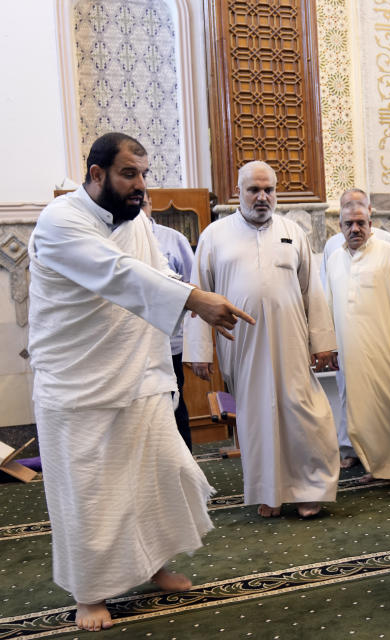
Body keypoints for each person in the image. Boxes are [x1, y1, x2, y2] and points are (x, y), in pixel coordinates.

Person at [28, 132, 254, 631]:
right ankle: (89, 593)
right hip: (76, 387)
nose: (140, 185)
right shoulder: (60, 222)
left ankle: (154, 565)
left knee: (156, 476)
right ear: (96, 174)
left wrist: (194, 302)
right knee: (88, 493)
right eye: (130, 174)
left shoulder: (136, 223)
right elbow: (117, 274)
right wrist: (196, 301)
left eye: (144, 174)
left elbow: (158, 275)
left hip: (136, 377)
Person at [183, 160, 340, 519]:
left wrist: (323, 342)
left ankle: (309, 489)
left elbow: (311, 292)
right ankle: (269, 492)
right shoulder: (214, 235)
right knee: (256, 417)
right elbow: (197, 295)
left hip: (292, 342)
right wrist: (199, 350)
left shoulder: (293, 231)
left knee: (302, 411)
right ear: (238, 192)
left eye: (269, 189)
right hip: (242, 344)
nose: (262, 197)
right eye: (254, 190)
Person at [325, 199, 390, 491]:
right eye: (349, 224)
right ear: (340, 227)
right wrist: (331, 346)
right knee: (365, 415)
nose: (355, 229)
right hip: (353, 354)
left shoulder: (389, 254)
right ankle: (380, 466)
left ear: (371, 224)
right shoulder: (334, 259)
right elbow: (329, 305)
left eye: (361, 223)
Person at [319, 188, 390, 470]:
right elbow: (325, 294)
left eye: (359, 213)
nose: (354, 225)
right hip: (346, 337)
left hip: (379, 335)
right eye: (346, 211)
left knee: (383, 397)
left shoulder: (388, 243)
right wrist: (327, 341)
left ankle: (388, 455)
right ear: (339, 219)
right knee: (347, 395)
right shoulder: (333, 247)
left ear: (370, 213)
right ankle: (351, 449)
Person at [144, 191, 195, 450]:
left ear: (151, 205)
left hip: (170, 341)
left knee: (175, 402)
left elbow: (193, 285)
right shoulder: (114, 238)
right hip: (135, 344)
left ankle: (185, 464)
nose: (139, 211)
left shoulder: (173, 239)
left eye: (143, 204)